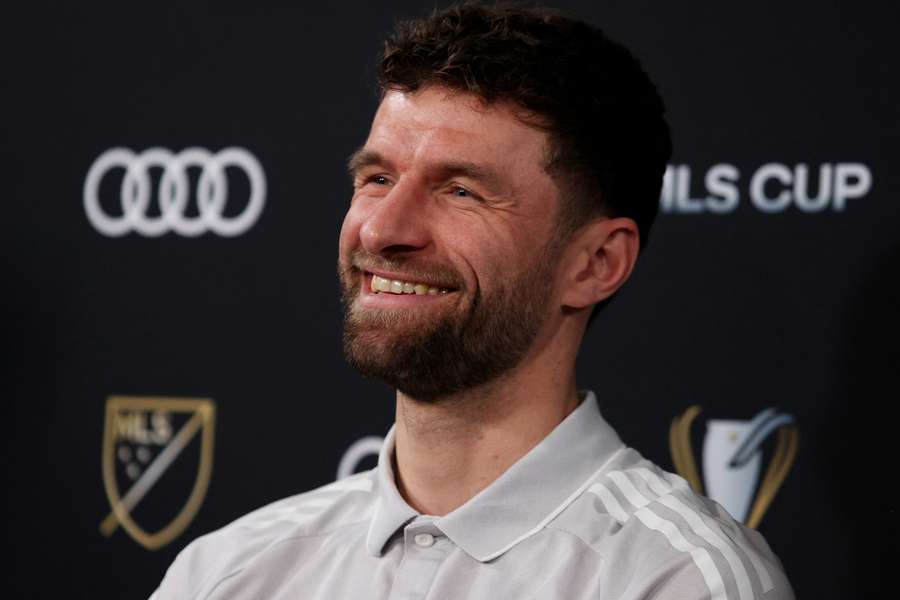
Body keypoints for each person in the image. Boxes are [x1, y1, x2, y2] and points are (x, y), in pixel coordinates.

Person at [152, 4, 794, 599]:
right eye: (377, 178)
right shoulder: (226, 572)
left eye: (461, 191)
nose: (382, 229)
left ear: (596, 263)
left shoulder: (679, 580)